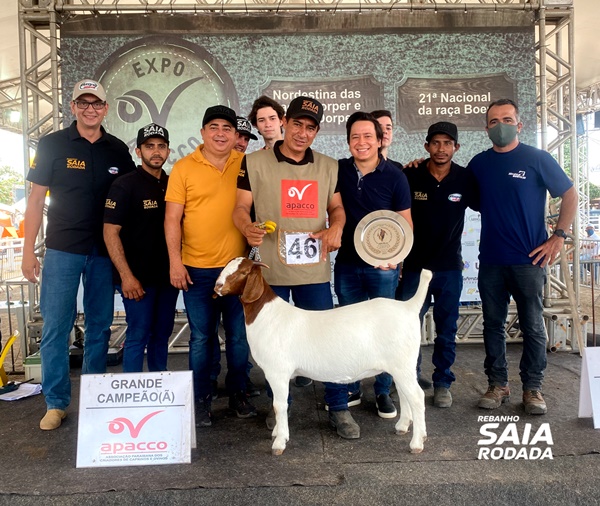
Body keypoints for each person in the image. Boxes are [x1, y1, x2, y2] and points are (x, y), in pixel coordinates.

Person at [232, 96, 353, 438]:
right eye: (297, 124)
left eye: (310, 127)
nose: (302, 133)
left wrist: (336, 227)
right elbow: (241, 207)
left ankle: (339, 407)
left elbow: (338, 208)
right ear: (284, 122)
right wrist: (246, 227)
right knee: (274, 345)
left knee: (328, 340)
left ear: (317, 132)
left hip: (313, 270)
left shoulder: (330, 166)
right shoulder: (253, 162)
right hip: (269, 269)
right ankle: (278, 407)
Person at [21, 79, 136, 430]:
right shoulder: (52, 144)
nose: (90, 109)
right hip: (61, 249)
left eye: (96, 103)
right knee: (57, 327)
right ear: (72, 107)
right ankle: (55, 403)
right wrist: (28, 251)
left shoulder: (117, 149)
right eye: (83, 103)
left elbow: (131, 202)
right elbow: (36, 200)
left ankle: (94, 396)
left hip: (103, 253)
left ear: (105, 107)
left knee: (100, 326)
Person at [469, 98, 577, 415]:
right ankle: (498, 384)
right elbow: (472, 199)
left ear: (519, 124)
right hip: (490, 260)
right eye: (493, 121)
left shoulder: (536, 158)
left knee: (532, 326)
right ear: (486, 128)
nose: (500, 125)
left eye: (506, 119)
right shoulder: (479, 164)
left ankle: (533, 388)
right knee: (493, 325)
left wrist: (558, 236)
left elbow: (570, 194)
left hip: (529, 261)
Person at [165, 104, 256, 427]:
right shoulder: (183, 168)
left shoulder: (246, 165)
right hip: (197, 269)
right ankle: (201, 399)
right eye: (214, 127)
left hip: (237, 269)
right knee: (201, 338)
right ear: (202, 132)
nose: (220, 133)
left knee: (238, 337)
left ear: (236, 136)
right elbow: (172, 219)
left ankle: (239, 394)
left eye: (227, 128)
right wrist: (175, 262)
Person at [335, 111, 412, 420]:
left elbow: (405, 224)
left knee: (384, 330)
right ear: (348, 141)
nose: (361, 142)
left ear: (380, 140)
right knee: (349, 329)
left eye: (368, 136)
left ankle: (382, 389)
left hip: (383, 268)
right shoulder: (338, 170)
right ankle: (352, 386)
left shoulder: (395, 176)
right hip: (346, 266)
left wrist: (395, 258)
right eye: (355, 137)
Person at [397, 121, 478, 409]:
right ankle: (411, 378)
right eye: (436, 143)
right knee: (407, 328)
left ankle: (443, 382)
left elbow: (492, 204)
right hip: (414, 267)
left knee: (446, 329)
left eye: (447, 143)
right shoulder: (411, 174)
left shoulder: (466, 179)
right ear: (426, 146)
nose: (441, 148)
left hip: (449, 269)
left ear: (456, 147)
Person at [103, 123, 179, 373]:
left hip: (168, 278)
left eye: (161, 146)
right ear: (138, 151)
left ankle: (159, 387)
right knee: (138, 335)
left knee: (162, 334)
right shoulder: (125, 185)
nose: (155, 152)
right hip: (137, 280)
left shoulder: (174, 184)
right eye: (149, 147)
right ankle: (132, 400)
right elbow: (110, 231)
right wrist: (126, 276)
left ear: (168, 151)